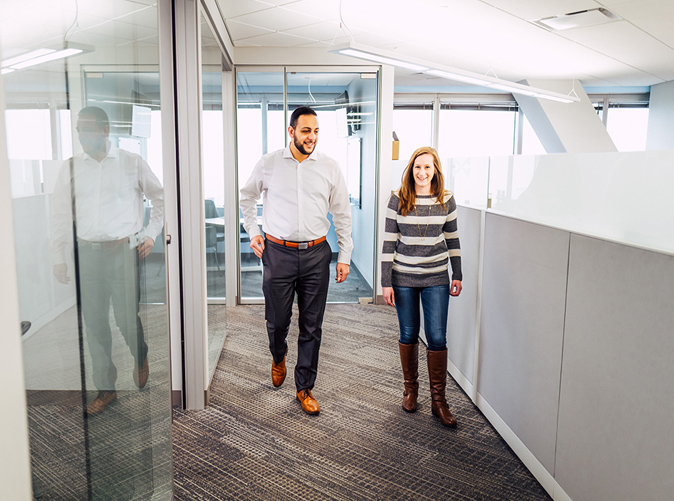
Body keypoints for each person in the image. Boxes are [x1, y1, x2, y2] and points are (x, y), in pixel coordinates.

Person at [240, 106, 353, 416]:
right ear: (291, 132)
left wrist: (345, 254)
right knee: (277, 322)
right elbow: (246, 196)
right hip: (278, 253)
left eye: (316, 131)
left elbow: (342, 213)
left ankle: (304, 387)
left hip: (317, 254)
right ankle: (279, 356)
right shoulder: (269, 163)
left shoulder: (329, 167)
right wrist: (253, 232)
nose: (312, 137)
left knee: (312, 325)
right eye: (306, 131)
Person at [51, 106, 164, 415]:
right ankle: (106, 388)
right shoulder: (71, 167)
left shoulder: (131, 162)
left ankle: (140, 354)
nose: (82, 135)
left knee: (127, 319)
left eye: (88, 129)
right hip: (87, 254)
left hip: (123, 254)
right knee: (95, 323)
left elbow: (161, 197)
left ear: (104, 130)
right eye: (78, 130)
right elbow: (60, 214)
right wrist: (59, 256)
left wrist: (151, 233)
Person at [381, 146, 462, 427]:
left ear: (435, 170)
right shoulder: (398, 199)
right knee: (408, 333)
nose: (422, 172)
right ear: (410, 170)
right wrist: (385, 281)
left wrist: (457, 274)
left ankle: (439, 400)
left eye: (428, 167)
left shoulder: (446, 200)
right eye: (417, 167)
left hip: (436, 277)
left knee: (437, 337)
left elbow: (452, 240)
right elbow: (389, 242)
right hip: (403, 277)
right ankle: (410, 390)